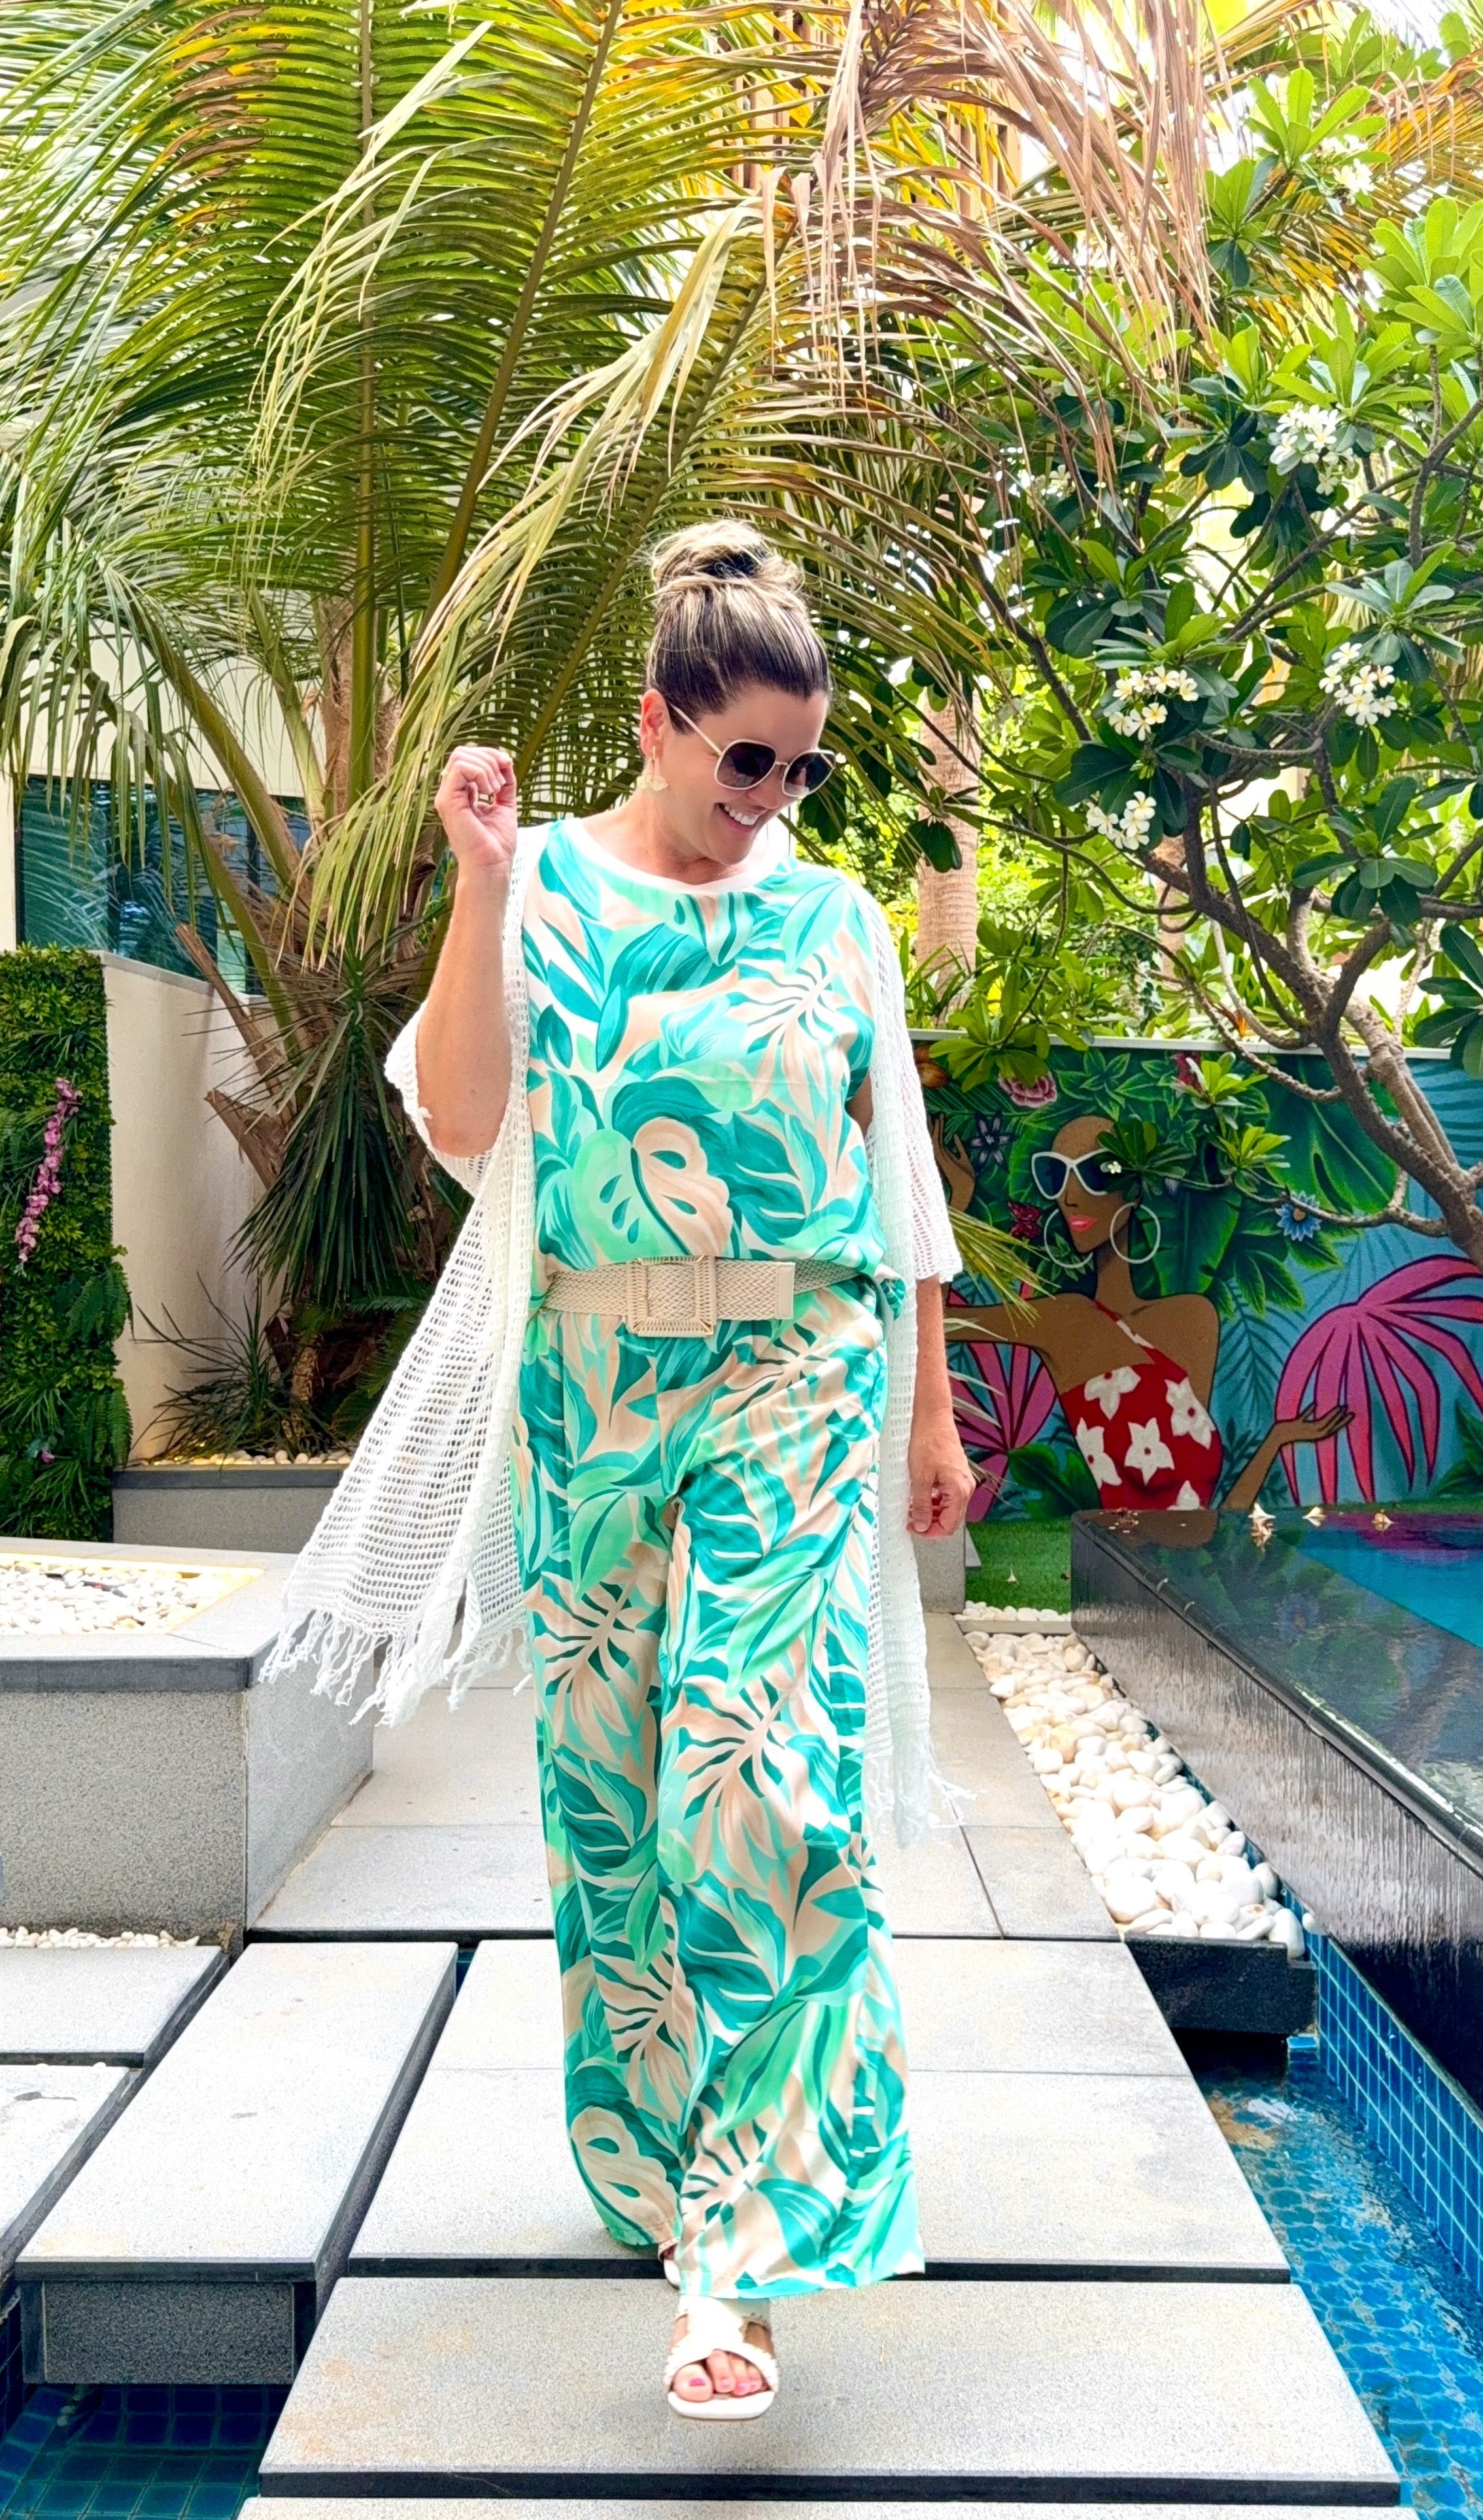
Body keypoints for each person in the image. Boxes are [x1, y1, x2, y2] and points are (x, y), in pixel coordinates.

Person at [269, 522, 974, 2420]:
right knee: (612, 1807)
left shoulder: (830, 921)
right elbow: (467, 1117)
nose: (772, 799)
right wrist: (480, 885)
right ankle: (655, 2167)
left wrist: (927, 1410)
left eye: (799, 768)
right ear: (658, 724)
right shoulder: (549, 891)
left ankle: (739, 2258)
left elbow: (897, 1182)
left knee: (760, 1779)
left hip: (794, 1373)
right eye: (745, 758)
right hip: (587, 1389)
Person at [947, 1112, 1347, 1513]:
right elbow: (940, 1323)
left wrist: (1277, 1438)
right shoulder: (1065, 1322)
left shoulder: (1192, 1319)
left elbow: (1208, 1515)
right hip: (1126, 1550)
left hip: (1192, 1552)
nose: (1069, 1196)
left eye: (1097, 1172)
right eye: (1055, 1175)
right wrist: (957, 1203)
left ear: (1135, 1189)